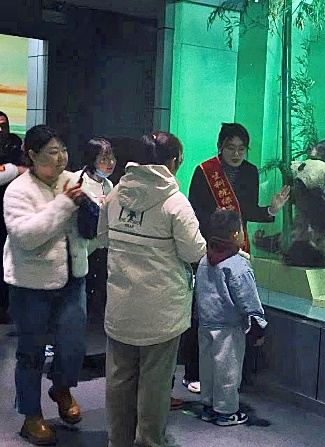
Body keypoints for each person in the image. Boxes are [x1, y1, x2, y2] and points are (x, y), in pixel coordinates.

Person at [99, 131, 206, 447]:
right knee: (155, 384)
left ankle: (118, 440)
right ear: (173, 162)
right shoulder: (175, 203)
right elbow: (194, 251)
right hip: (162, 312)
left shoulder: (116, 194)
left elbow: (103, 238)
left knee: (119, 379)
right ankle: (149, 441)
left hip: (121, 306)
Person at [182, 122, 289, 393]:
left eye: (242, 148)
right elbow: (195, 212)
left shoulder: (250, 172)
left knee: (236, 311)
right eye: (231, 147)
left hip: (237, 250)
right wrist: (215, 239)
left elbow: (248, 211)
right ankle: (194, 372)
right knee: (204, 312)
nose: (236, 153)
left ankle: (234, 374)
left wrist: (271, 210)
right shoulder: (205, 172)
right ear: (220, 147)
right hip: (210, 249)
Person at [4, 124, 92, 446]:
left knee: (73, 344)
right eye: (52, 152)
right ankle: (31, 416)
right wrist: (65, 204)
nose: (61, 158)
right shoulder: (18, 190)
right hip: (31, 285)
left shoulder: (73, 180)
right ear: (32, 154)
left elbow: (89, 230)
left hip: (73, 278)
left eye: (63, 150)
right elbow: (26, 237)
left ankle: (61, 387)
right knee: (32, 352)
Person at [196, 209, 267, 426]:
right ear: (236, 234)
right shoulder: (237, 265)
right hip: (228, 328)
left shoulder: (204, 259)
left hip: (205, 323)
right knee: (227, 370)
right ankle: (226, 412)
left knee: (207, 367)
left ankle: (208, 406)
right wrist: (258, 326)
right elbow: (248, 298)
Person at [75, 138, 116, 327]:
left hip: (102, 248)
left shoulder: (109, 185)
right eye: (104, 159)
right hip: (82, 248)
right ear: (92, 160)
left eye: (112, 158)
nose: (110, 163)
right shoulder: (78, 181)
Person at [0, 111, 27, 324]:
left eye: (4, 125)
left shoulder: (15, 145)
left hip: (11, 208)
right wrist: (15, 170)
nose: (1, 129)